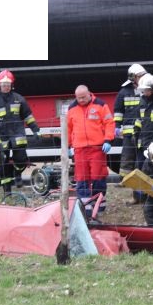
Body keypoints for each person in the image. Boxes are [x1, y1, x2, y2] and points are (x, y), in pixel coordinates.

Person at [0, 70, 41, 198]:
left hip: (17, 135)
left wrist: (35, 129)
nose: (6, 86)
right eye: (3, 84)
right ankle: (7, 190)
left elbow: (27, 116)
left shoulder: (19, 99)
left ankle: (17, 173)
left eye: (8, 84)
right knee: (3, 164)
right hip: (1, 137)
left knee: (21, 159)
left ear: (11, 85)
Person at [67, 85, 115, 213]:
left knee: (98, 176)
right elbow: (68, 128)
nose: (81, 100)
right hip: (80, 149)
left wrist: (108, 140)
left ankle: (99, 205)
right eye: (78, 98)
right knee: (81, 178)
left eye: (83, 97)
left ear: (89, 94)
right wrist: (69, 145)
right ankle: (85, 207)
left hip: (97, 148)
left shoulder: (100, 105)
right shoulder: (72, 108)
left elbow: (109, 123)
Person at [114, 63, 147, 204]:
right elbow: (118, 111)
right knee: (128, 163)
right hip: (129, 135)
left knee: (142, 164)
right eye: (140, 76)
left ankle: (144, 196)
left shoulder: (147, 89)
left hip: (144, 134)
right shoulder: (123, 92)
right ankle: (133, 194)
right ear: (133, 77)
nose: (142, 78)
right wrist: (117, 126)